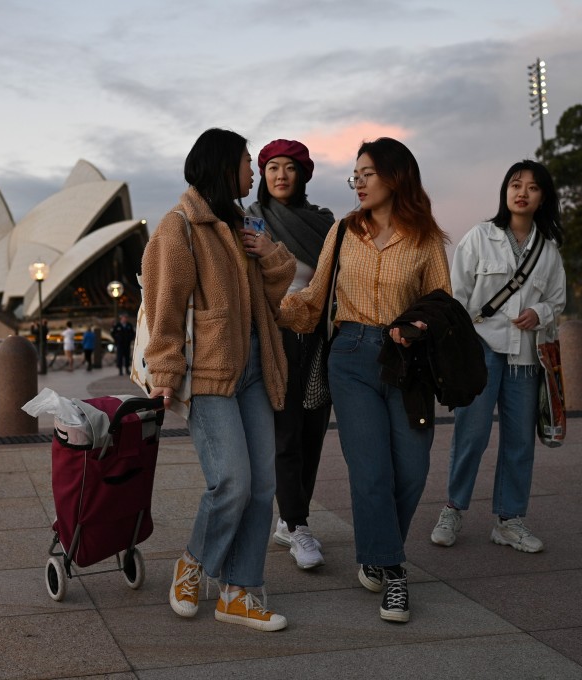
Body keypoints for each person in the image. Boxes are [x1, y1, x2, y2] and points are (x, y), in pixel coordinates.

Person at [280, 137, 451, 623]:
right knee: (371, 470)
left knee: (413, 470)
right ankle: (393, 573)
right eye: (355, 174)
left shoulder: (426, 240)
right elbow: (314, 297)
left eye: (368, 173)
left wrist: (416, 329)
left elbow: (442, 307)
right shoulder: (342, 232)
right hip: (351, 356)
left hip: (407, 363)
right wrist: (270, 310)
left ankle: (378, 548)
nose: (358, 181)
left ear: (395, 177)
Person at [142, 127, 296, 632]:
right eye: (248, 162)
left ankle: (239, 590)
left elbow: (275, 292)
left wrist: (267, 252)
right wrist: (165, 371)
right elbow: (163, 308)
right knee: (232, 480)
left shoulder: (241, 222)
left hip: (255, 364)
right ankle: (194, 564)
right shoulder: (180, 225)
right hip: (209, 371)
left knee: (262, 486)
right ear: (223, 164)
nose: (254, 172)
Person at [430, 160, 566, 554]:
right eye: (515, 184)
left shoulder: (549, 250)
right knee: (470, 435)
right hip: (482, 352)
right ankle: (453, 509)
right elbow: (456, 296)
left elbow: (556, 300)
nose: (522, 192)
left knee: (520, 441)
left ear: (542, 198)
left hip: (525, 357)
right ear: (505, 191)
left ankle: (509, 520)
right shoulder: (479, 237)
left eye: (533, 187)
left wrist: (539, 313)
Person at [247, 139, 333, 570]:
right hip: (275, 335)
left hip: (316, 335)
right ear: (262, 174)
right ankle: (297, 525)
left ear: (303, 175)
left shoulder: (324, 223)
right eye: (272, 167)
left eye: (290, 168)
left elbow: (332, 278)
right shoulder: (251, 221)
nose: (281, 175)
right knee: (286, 433)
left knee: (313, 431)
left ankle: (290, 520)